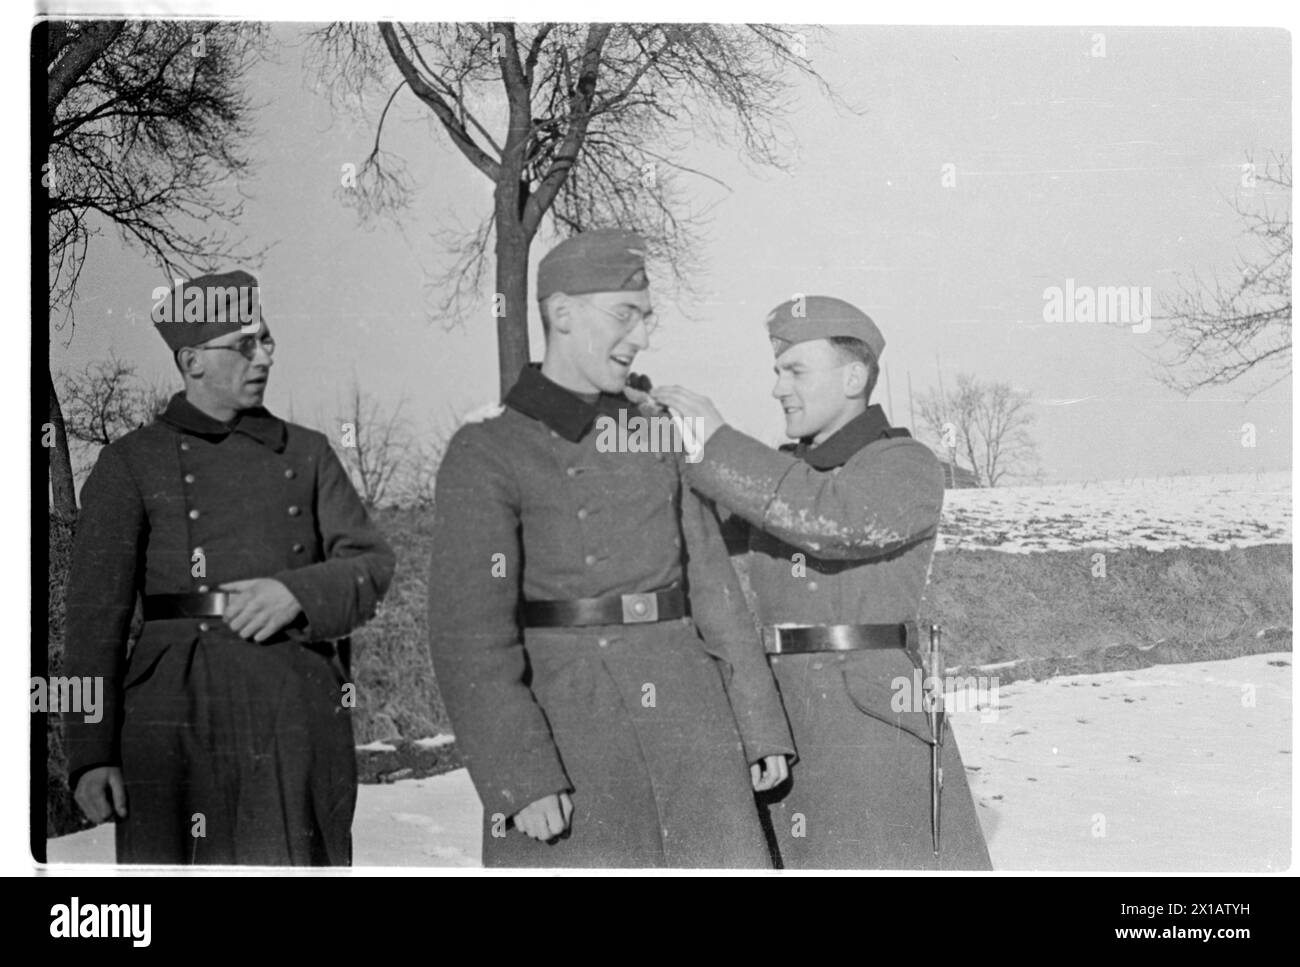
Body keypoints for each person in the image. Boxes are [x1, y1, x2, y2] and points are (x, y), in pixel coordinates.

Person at [427, 229, 794, 868]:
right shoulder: (487, 449)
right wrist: (521, 773)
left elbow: (713, 587)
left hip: (693, 721)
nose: (643, 336)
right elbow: (469, 636)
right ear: (562, 313)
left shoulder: (653, 428)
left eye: (648, 318)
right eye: (626, 315)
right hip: (573, 733)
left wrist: (761, 724)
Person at [64, 270, 395, 865]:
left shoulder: (309, 453)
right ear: (191, 361)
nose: (264, 355)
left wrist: (297, 594)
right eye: (245, 344)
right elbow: (92, 621)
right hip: (171, 723)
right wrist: (90, 754)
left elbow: (371, 564)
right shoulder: (130, 462)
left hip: (291, 716)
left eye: (267, 339)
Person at [653, 295, 992, 869]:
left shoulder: (904, 463)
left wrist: (718, 443)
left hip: (866, 722)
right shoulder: (783, 477)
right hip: (775, 717)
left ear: (855, 376)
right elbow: (694, 530)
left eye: (796, 371)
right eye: (777, 372)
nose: (779, 388)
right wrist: (650, 446)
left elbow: (833, 522)